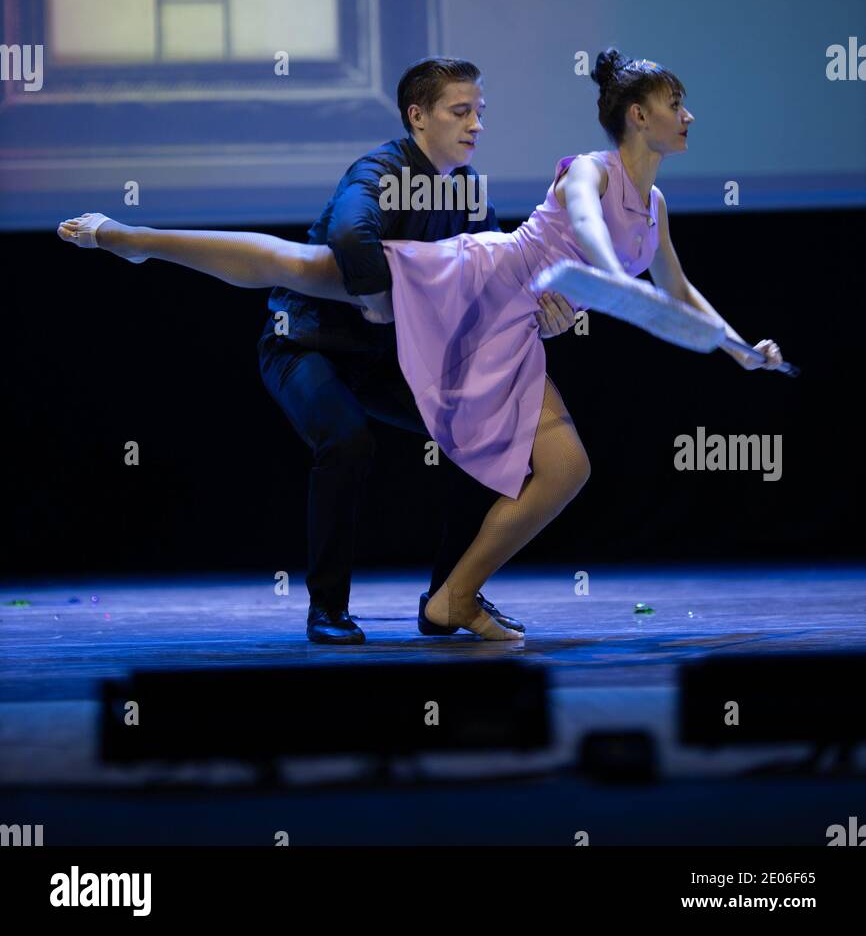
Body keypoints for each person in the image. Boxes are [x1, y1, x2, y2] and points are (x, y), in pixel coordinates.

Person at [58, 48, 786, 641]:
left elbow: (680, 289)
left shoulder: (651, 206)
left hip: (504, 321)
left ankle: (453, 599)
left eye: (478, 112)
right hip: (452, 294)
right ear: (638, 115)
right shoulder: (584, 171)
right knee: (297, 266)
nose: (687, 116)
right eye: (675, 103)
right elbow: (585, 236)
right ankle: (130, 239)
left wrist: (738, 347)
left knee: (565, 469)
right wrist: (594, 283)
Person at [255, 56, 573, 643]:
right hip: (305, 342)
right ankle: (326, 609)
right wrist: (376, 299)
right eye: (461, 111)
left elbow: (502, 276)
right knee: (347, 439)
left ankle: (449, 596)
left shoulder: (468, 190)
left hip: (385, 357)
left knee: (482, 434)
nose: (476, 123)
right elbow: (352, 233)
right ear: (418, 116)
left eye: (480, 111)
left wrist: (545, 314)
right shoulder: (380, 169)